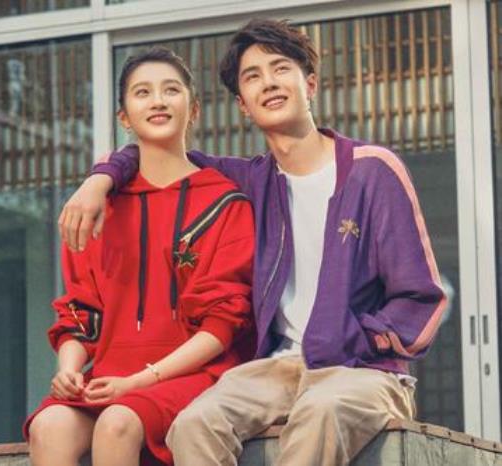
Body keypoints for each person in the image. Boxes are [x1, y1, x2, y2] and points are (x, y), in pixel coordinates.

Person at [59, 19, 446, 466]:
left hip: (363, 373)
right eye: (253, 76)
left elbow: (421, 297)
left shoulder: (371, 170)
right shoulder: (251, 180)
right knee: (193, 424)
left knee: (319, 413)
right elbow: (159, 152)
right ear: (243, 105)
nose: (269, 83)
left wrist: (359, 339)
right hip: (276, 369)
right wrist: (99, 179)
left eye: (280, 69)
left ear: (310, 84)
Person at [24, 47, 255, 466]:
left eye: (171, 90)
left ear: (194, 110)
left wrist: (140, 381)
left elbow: (223, 325)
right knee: (48, 426)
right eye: (142, 92)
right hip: (109, 376)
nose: (158, 101)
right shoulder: (96, 207)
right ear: (124, 117)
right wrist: (69, 370)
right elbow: (79, 312)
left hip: (195, 375)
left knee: (116, 423)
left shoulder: (225, 202)